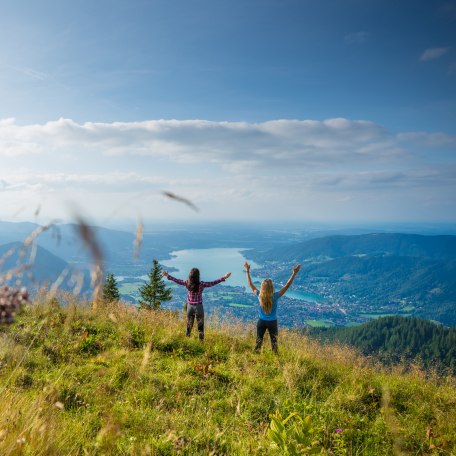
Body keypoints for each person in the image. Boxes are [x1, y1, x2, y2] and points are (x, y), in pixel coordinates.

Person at [244, 261, 301, 353]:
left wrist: (247, 271)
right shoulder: (275, 296)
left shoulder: (260, 295)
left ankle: (255, 358)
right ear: (271, 287)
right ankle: (275, 360)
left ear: (262, 287)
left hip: (261, 321)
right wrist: (294, 274)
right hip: (272, 322)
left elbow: (250, 284)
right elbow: (287, 286)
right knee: (274, 344)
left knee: (258, 342)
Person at [162, 268, 231, 341]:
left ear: (190, 276)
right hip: (199, 307)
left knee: (189, 325)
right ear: (198, 276)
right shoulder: (201, 284)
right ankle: (201, 342)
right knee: (200, 326)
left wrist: (167, 275)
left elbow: (177, 280)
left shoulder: (187, 283)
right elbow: (213, 283)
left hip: (190, 307)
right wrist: (224, 277)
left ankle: (187, 340)